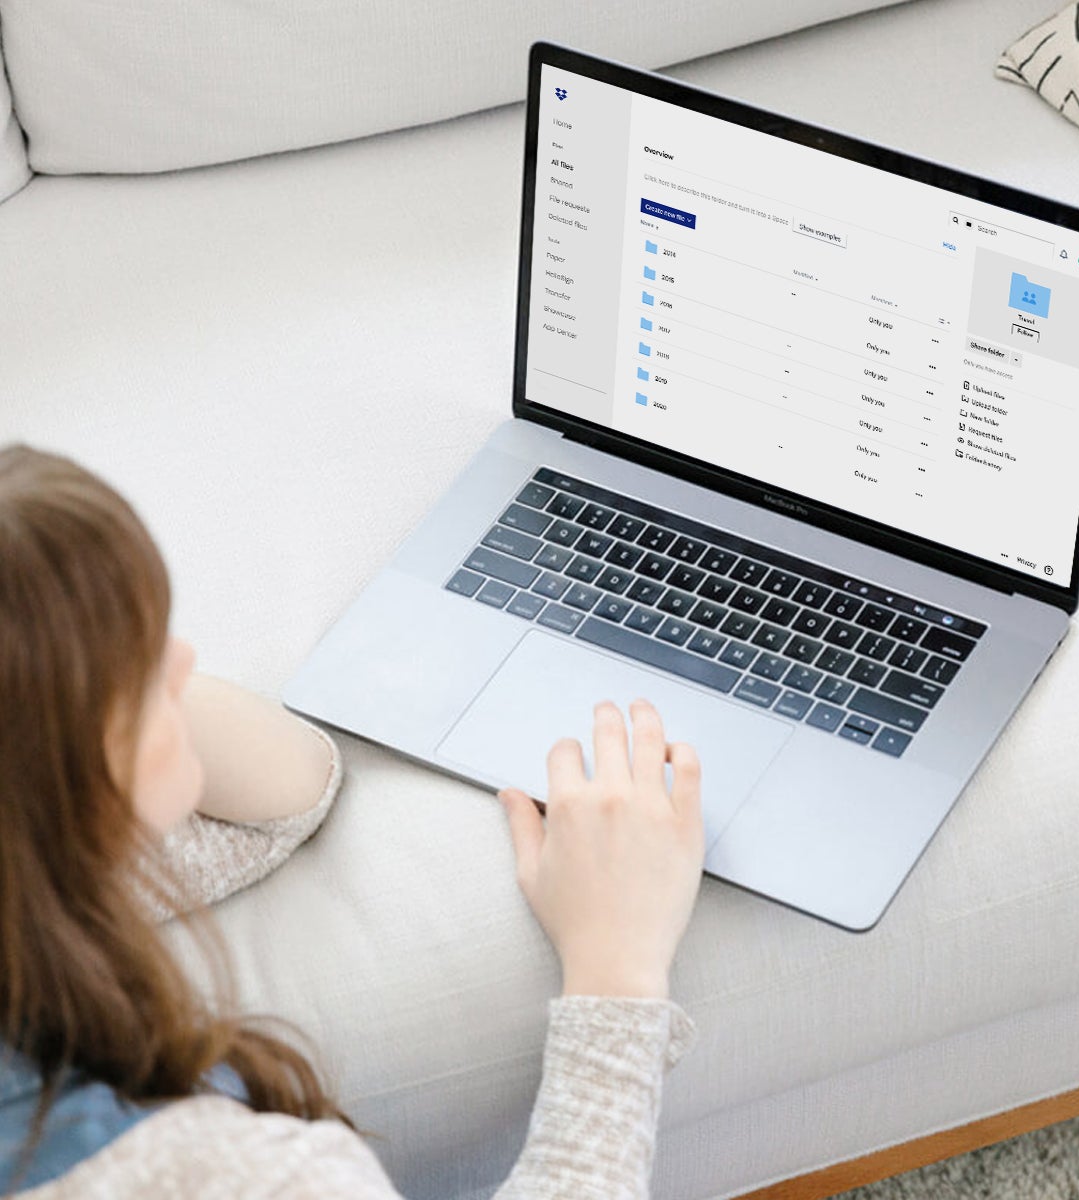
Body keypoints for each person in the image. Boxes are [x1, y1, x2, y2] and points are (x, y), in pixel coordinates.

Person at [0, 443, 706, 1198]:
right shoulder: (240, 1178)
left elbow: (288, 791)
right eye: (140, 678)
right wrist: (616, 973)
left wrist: (73, 665)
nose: (182, 662)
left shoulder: (29, 890)